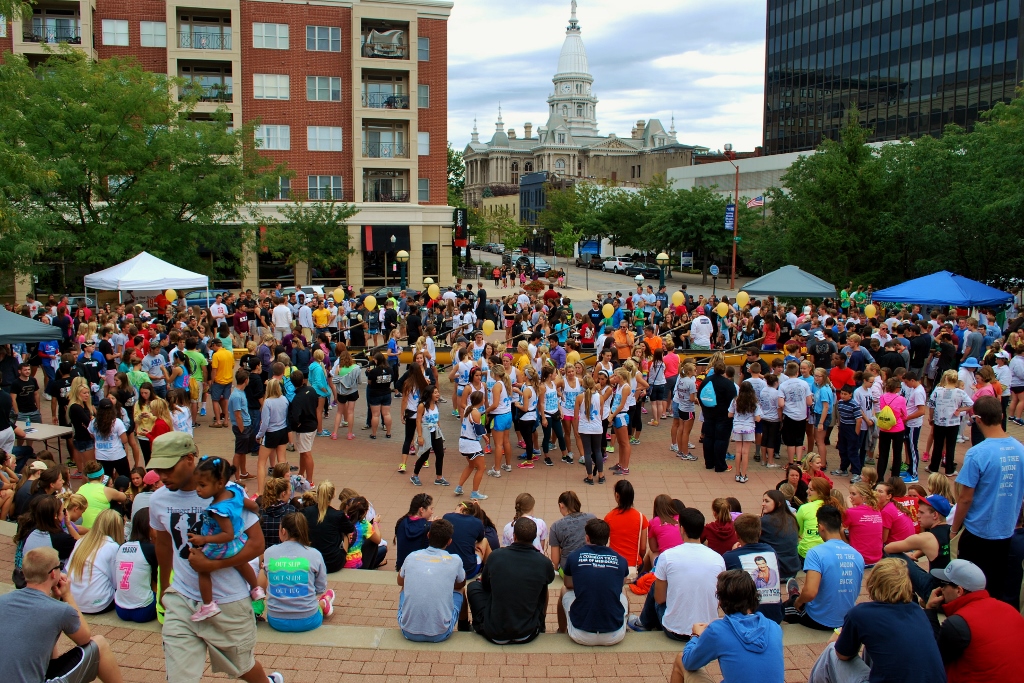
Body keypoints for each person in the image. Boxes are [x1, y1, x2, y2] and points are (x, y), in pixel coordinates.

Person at [147, 432, 282, 683]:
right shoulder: (158, 499)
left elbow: (256, 544)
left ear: (189, 459)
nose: (161, 476)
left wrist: (213, 564)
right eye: (157, 469)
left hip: (228, 601)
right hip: (182, 599)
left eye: (167, 468)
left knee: (242, 667)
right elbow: (164, 543)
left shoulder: (228, 493)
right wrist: (164, 586)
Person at [807, 558, 945, 683]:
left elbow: (842, 655)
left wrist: (841, 633)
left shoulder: (860, 614)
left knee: (831, 651)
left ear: (873, 582)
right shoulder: (917, 611)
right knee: (876, 646)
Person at [0, 546, 123, 683]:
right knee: (99, 644)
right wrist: (67, 595)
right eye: (60, 566)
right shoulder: (61, 610)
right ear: (53, 574)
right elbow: (84, 638)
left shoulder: (3, 601)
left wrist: (54, 597)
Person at [187, 455, 265, 621]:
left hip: (222, 546)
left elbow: (226, 534)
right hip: (238, 543)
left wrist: (203, 540)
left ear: (219, 483)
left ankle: (208, 605)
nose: (198, 489)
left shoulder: (218, 509)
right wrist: (256, 510)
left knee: (202, 569)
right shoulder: (234, 491)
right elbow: (252, 505)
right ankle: (256, 588)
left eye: (202, 485)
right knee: (241, 563)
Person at [630, 507, 726, 639]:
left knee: (656, 586)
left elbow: (659, 599)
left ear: (682, 529)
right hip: (707, 631)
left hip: (675, 631)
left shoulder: (667, 556)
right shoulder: (718, 559)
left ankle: (643, 623)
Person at [672, 570, 785, 683]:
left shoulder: (717, 630)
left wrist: (696, 635)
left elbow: (689, 662)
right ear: (754, 596)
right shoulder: (774, 627)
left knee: (680, 660)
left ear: (720, 601)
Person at [924, 559, 1024, 682]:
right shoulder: (1009, 609)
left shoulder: (958, 624)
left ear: (959, 591)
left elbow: (933, 659)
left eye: (944, 584)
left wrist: (930, 611)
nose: (941, 589)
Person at [467, 517, 554, 644]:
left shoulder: (496, 556)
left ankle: (474, 624)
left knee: (473, 587)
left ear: (514, 536)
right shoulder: (544, 562)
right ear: (535, 537)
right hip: (527, 632)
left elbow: (485, 585)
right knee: (543, 587)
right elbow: (549, 579)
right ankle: (541, 624)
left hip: (494, 632)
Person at [784, 505, 865, 630]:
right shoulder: (857, 555)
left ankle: (794, 596)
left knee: (785, 607)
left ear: (821, 527)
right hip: (846, 619)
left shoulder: (816, 553)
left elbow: (810, 592)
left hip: (819, 619)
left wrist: (798, 603)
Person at [556, 518, 629, 646]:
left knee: (564, 591)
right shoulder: (621, 560)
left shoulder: (574, 556)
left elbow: (568, 584)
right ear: (608, 538)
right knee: (623, 592)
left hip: (580, 633)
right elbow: (620, 583)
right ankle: (626, 627)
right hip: (614, 635)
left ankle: (562, 631)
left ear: (587, 538)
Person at [397, 517, 467, 642]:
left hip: (407, 631)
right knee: (461, 591)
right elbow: (461, 583)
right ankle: (464, 625)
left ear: (428, 535)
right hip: (441, 633)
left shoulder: (412, 556)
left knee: (404, 586)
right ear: (449, 541)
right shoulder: (455, 560)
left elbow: (400, 582)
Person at [263, 512, 334, 632]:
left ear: (283, 531)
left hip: (276, 620)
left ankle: (322, 602)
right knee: (318, 599)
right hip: (308, 620)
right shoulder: (314, 554)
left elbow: (267, 579)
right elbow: (320, 588)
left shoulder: (269, 553)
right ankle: (323, 603)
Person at [884, 493, 952, 601]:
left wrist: (907, 554)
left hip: (934, 591)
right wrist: (916, 554)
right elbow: (939, 548)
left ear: (935, 515)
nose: (917, 515)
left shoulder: (925, 538)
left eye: (921, 512)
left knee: (893, 555)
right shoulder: (953, 531)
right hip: (952, 590)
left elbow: (888, 548)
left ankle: (908, 599)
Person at [723, 514, 783, 623]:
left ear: (736, 534)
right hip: (774, 616)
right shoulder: (771, 551)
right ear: (760, 532)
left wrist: (733, 552)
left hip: (748, 618)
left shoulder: (729, 557)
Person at [67, 508, 124, 614]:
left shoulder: (81, 541)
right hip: (99, 604)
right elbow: (117, 583)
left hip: (74, 600)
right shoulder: (112, 547)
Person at [300, 481, 355, 573]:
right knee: (345, 533)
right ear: (333, 495)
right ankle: (344, 554)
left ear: (317, 493)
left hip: (311, 561)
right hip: (332, 563)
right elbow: (350, 529)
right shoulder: (338, 515)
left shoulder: (306, 512)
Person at [114, 508, 157, 623]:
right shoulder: (150, 549)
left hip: (120, 609)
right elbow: (157, 580)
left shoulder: (122, 546)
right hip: (144, 610)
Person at [700, 361, 738, 473]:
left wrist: (705, 409)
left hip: (709, 413)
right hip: (723, 415)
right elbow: (733, 400)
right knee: (721, 439)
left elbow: (700, 395)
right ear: (724, 370)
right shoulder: (728, 384)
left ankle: (709, 463)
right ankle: (720, 465)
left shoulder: (706, 381)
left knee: (709, 437)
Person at [604, 479, 649, 573]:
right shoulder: (641, 518)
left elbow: (603, 542)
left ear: (617, 496)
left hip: (614, 564)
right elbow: (643, 548)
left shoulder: (609, 517)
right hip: (634, 565)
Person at [549, 490, 596, 572]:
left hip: (568, 571)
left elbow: (555, 560)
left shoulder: (556, 526)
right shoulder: (592, 518)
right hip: (591, 567)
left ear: (561, 506)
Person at [394, 493, 433, 572]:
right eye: (431, 509)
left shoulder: (402, 522)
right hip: (419, 569)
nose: (432, 512)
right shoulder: (429, 527)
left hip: (402, 568)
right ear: (421, 510)